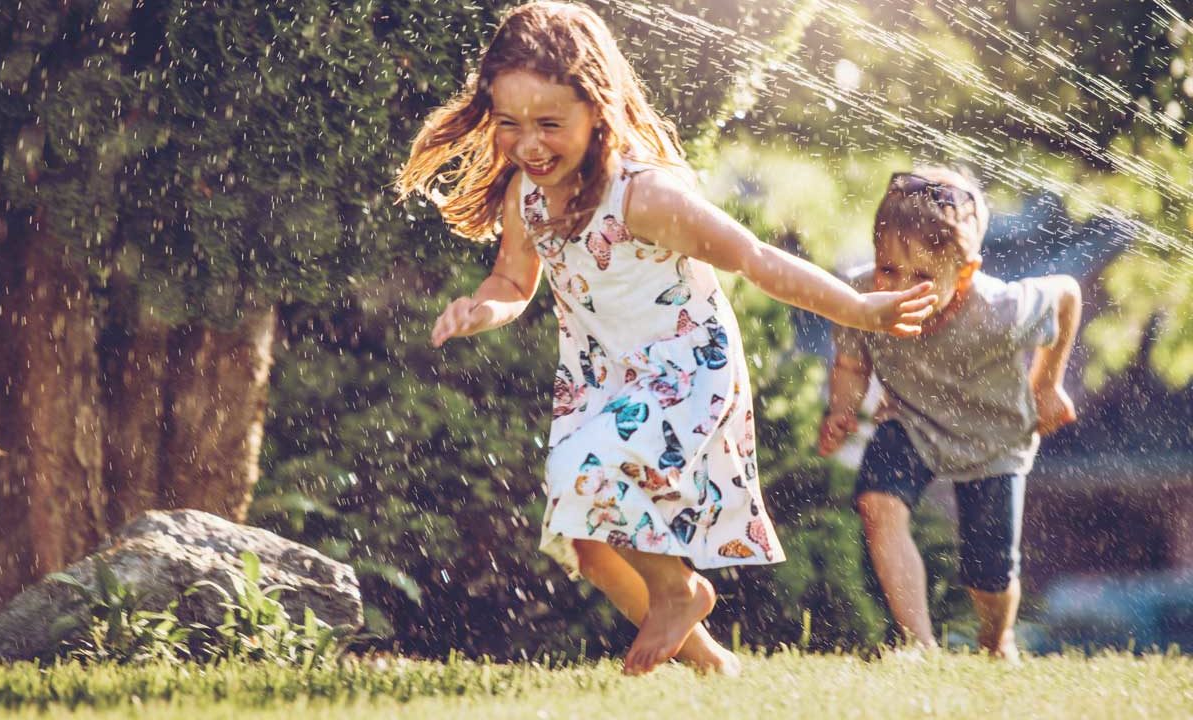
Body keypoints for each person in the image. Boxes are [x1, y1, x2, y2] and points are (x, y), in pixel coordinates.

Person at [397, 1, 936, 675]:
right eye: (509, 124)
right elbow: (512, 280)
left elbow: (753, 258)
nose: (529, 144)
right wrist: (483, 308)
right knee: (587, 545)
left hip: (683, 368)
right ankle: (711, 664)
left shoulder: (644, 195)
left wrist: (859, 307)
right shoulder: (526, 197)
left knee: (584, 478)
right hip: (601, 379)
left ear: (597, 109)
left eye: (549, 124)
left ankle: (679, 591)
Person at [819, 167, 1082, 661]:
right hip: (912, 422)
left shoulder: (1003, 309)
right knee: (878, 505)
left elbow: (1068, 292)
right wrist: (842, 407)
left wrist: (1047, 384)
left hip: (993, 439)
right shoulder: (862, 299)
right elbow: (853, 361)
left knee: (988, 572)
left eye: (922, 277)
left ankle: (995, 640)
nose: (898, 288)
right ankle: (918, 647)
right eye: (888, 268)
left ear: (964, 274)